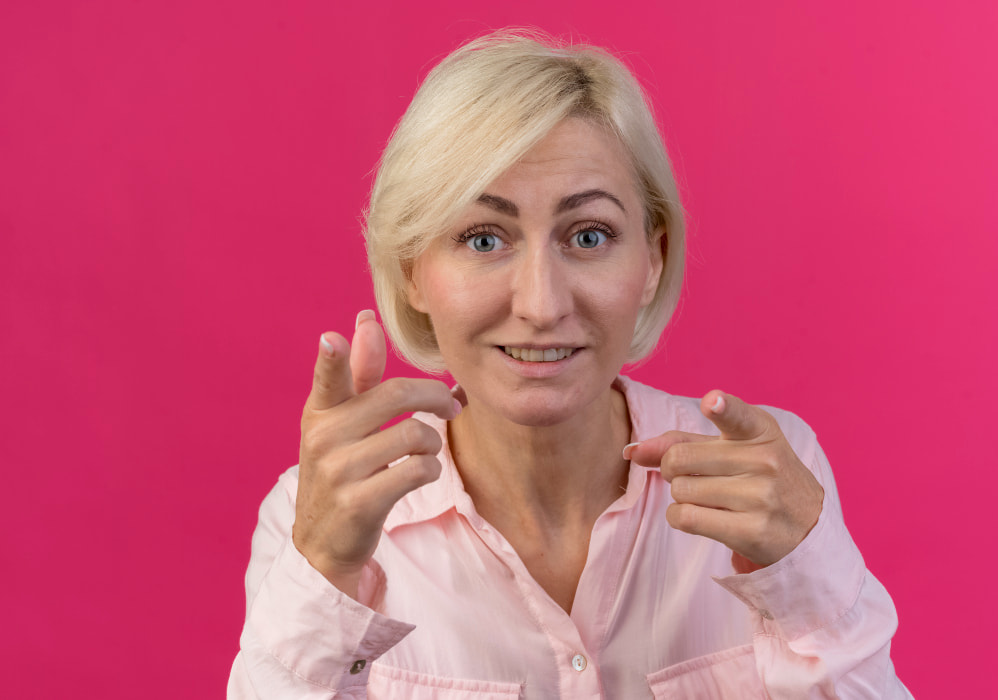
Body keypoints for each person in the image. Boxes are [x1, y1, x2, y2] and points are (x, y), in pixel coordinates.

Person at [229, 31, 911, 699]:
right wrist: (324, 575)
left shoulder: (773, 473)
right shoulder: (312, 517)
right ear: (413, 272)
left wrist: (810, 581)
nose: (542, 304)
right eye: (482, 238)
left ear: (654, 260)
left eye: (589, 236)